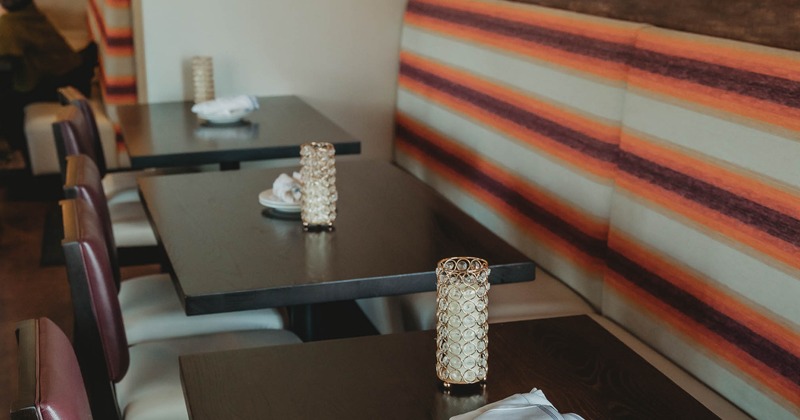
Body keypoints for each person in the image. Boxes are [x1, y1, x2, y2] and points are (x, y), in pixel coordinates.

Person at [0, 0, 95, 152]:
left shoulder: (9, 23)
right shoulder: (30, 13)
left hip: (60, 86)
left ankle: (21, 152)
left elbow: (6, 65)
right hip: (74, 78)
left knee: (7, 103)